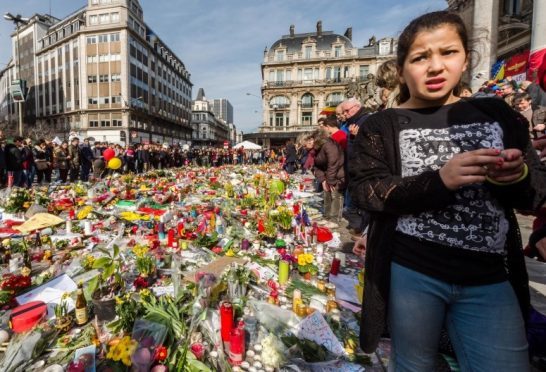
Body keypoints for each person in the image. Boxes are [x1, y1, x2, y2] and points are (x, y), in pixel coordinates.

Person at [349, 11, 546, 371]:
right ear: (403, 67)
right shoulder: (382, 124)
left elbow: (535, 194)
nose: (435, 66)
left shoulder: (496, 113)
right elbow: (366, 190)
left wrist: (516, 175)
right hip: (412, 271)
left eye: (448, 52)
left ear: (466, 58)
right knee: (414, 364)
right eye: (420, 57)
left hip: (489, 274)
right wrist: (439, 180)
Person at [313, 118, 346, 228]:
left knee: (335, 195)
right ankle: (327, 216)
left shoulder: (329, 144)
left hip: (338, 173)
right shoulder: (318, 148)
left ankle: (335, 219)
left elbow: (333, 162)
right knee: (327, 193)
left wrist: (330, 180)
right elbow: (317, 166)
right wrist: (323, 179)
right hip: (329, 173)